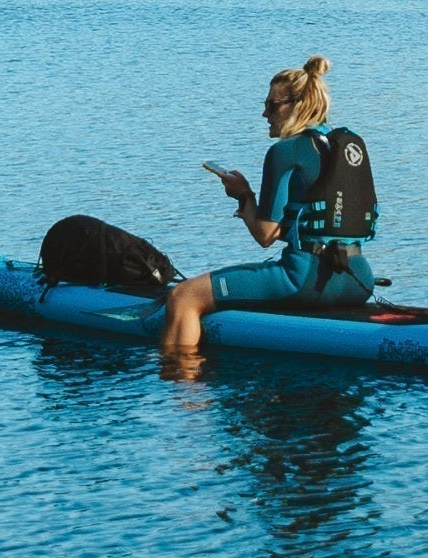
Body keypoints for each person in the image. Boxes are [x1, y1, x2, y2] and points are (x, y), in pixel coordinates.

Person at [160, 56, 377, 351]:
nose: (264, 113)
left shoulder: (285, 151)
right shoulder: (344, 146)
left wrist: (245, 195)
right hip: (359, 279)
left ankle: (182, 387)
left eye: (272, 106)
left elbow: (265, 235)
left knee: (183, 297)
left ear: (298, 105)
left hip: (304, 279)